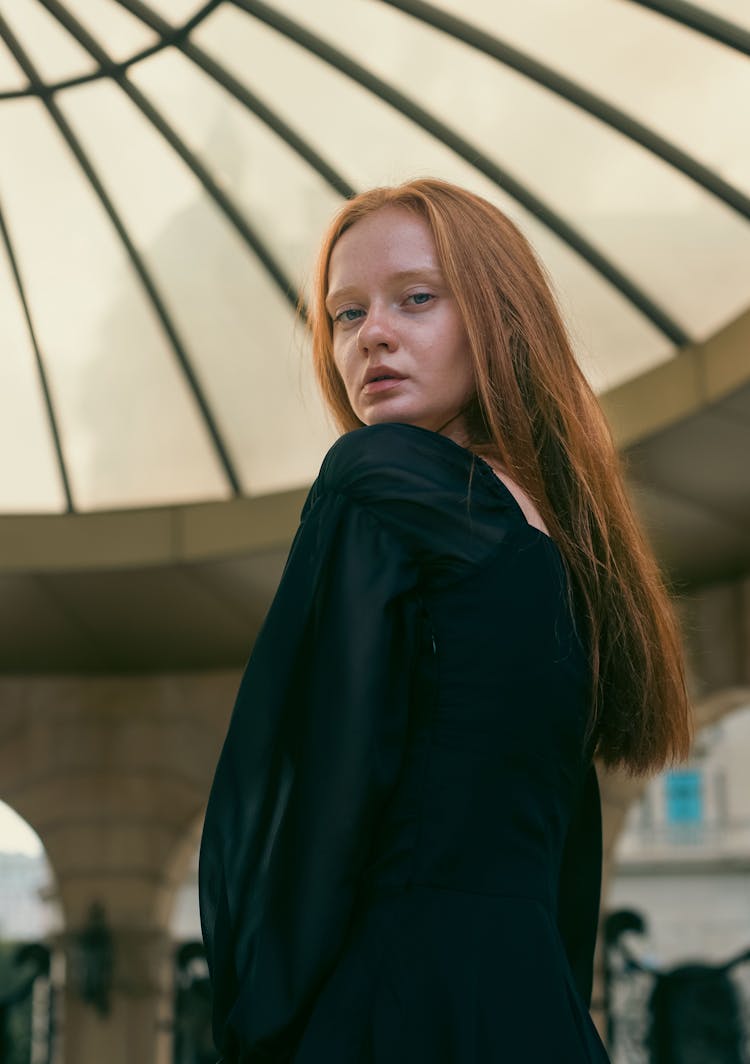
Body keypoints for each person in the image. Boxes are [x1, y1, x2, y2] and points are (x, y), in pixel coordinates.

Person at [198, 178, 693, 1062]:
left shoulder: (382, 476)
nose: (372, 334)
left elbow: (306, 800)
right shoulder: (570, 545)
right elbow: (565, 864)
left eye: (416, 298)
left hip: (397, 1005)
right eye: (344, 316)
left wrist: (258, 1023)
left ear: (498, 318)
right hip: (534, 1009)